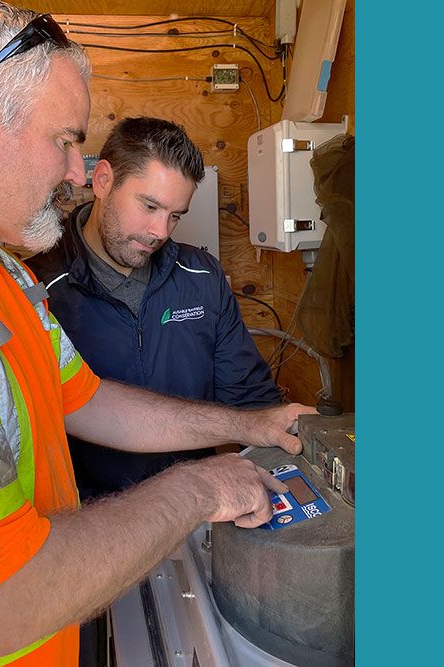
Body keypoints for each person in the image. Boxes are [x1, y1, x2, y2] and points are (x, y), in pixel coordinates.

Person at [0, 2, 314, 666]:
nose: (72, 171)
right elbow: (3, 603)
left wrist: (255, 426)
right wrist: (197, 488)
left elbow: (88, 400)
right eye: (64, 139)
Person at [27, 116, 283, 503]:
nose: (161, 231)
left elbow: (252, 403)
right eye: (149, 206)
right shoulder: (38, 288)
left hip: (197, 510)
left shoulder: (201, 276)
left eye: (175, 215)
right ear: (103, 181)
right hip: (89, 524)